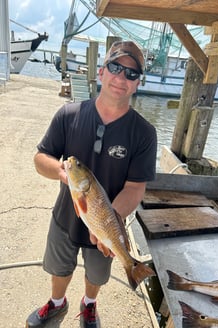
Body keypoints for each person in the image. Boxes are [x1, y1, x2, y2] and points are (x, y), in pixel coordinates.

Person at [26, 40, 157, 328]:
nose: (121, 78)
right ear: (101, 72)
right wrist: (61, 172)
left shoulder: (144, 133)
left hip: (109, 222)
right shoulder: (68, 114)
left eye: (131, 74)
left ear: (137, 84)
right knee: (59, 266)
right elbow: (40, 158)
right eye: (115, 67)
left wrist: (109, 220)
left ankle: (89, 304)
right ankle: (57, 302)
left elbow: (135, 187)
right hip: (66, 215)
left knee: (97, 274)